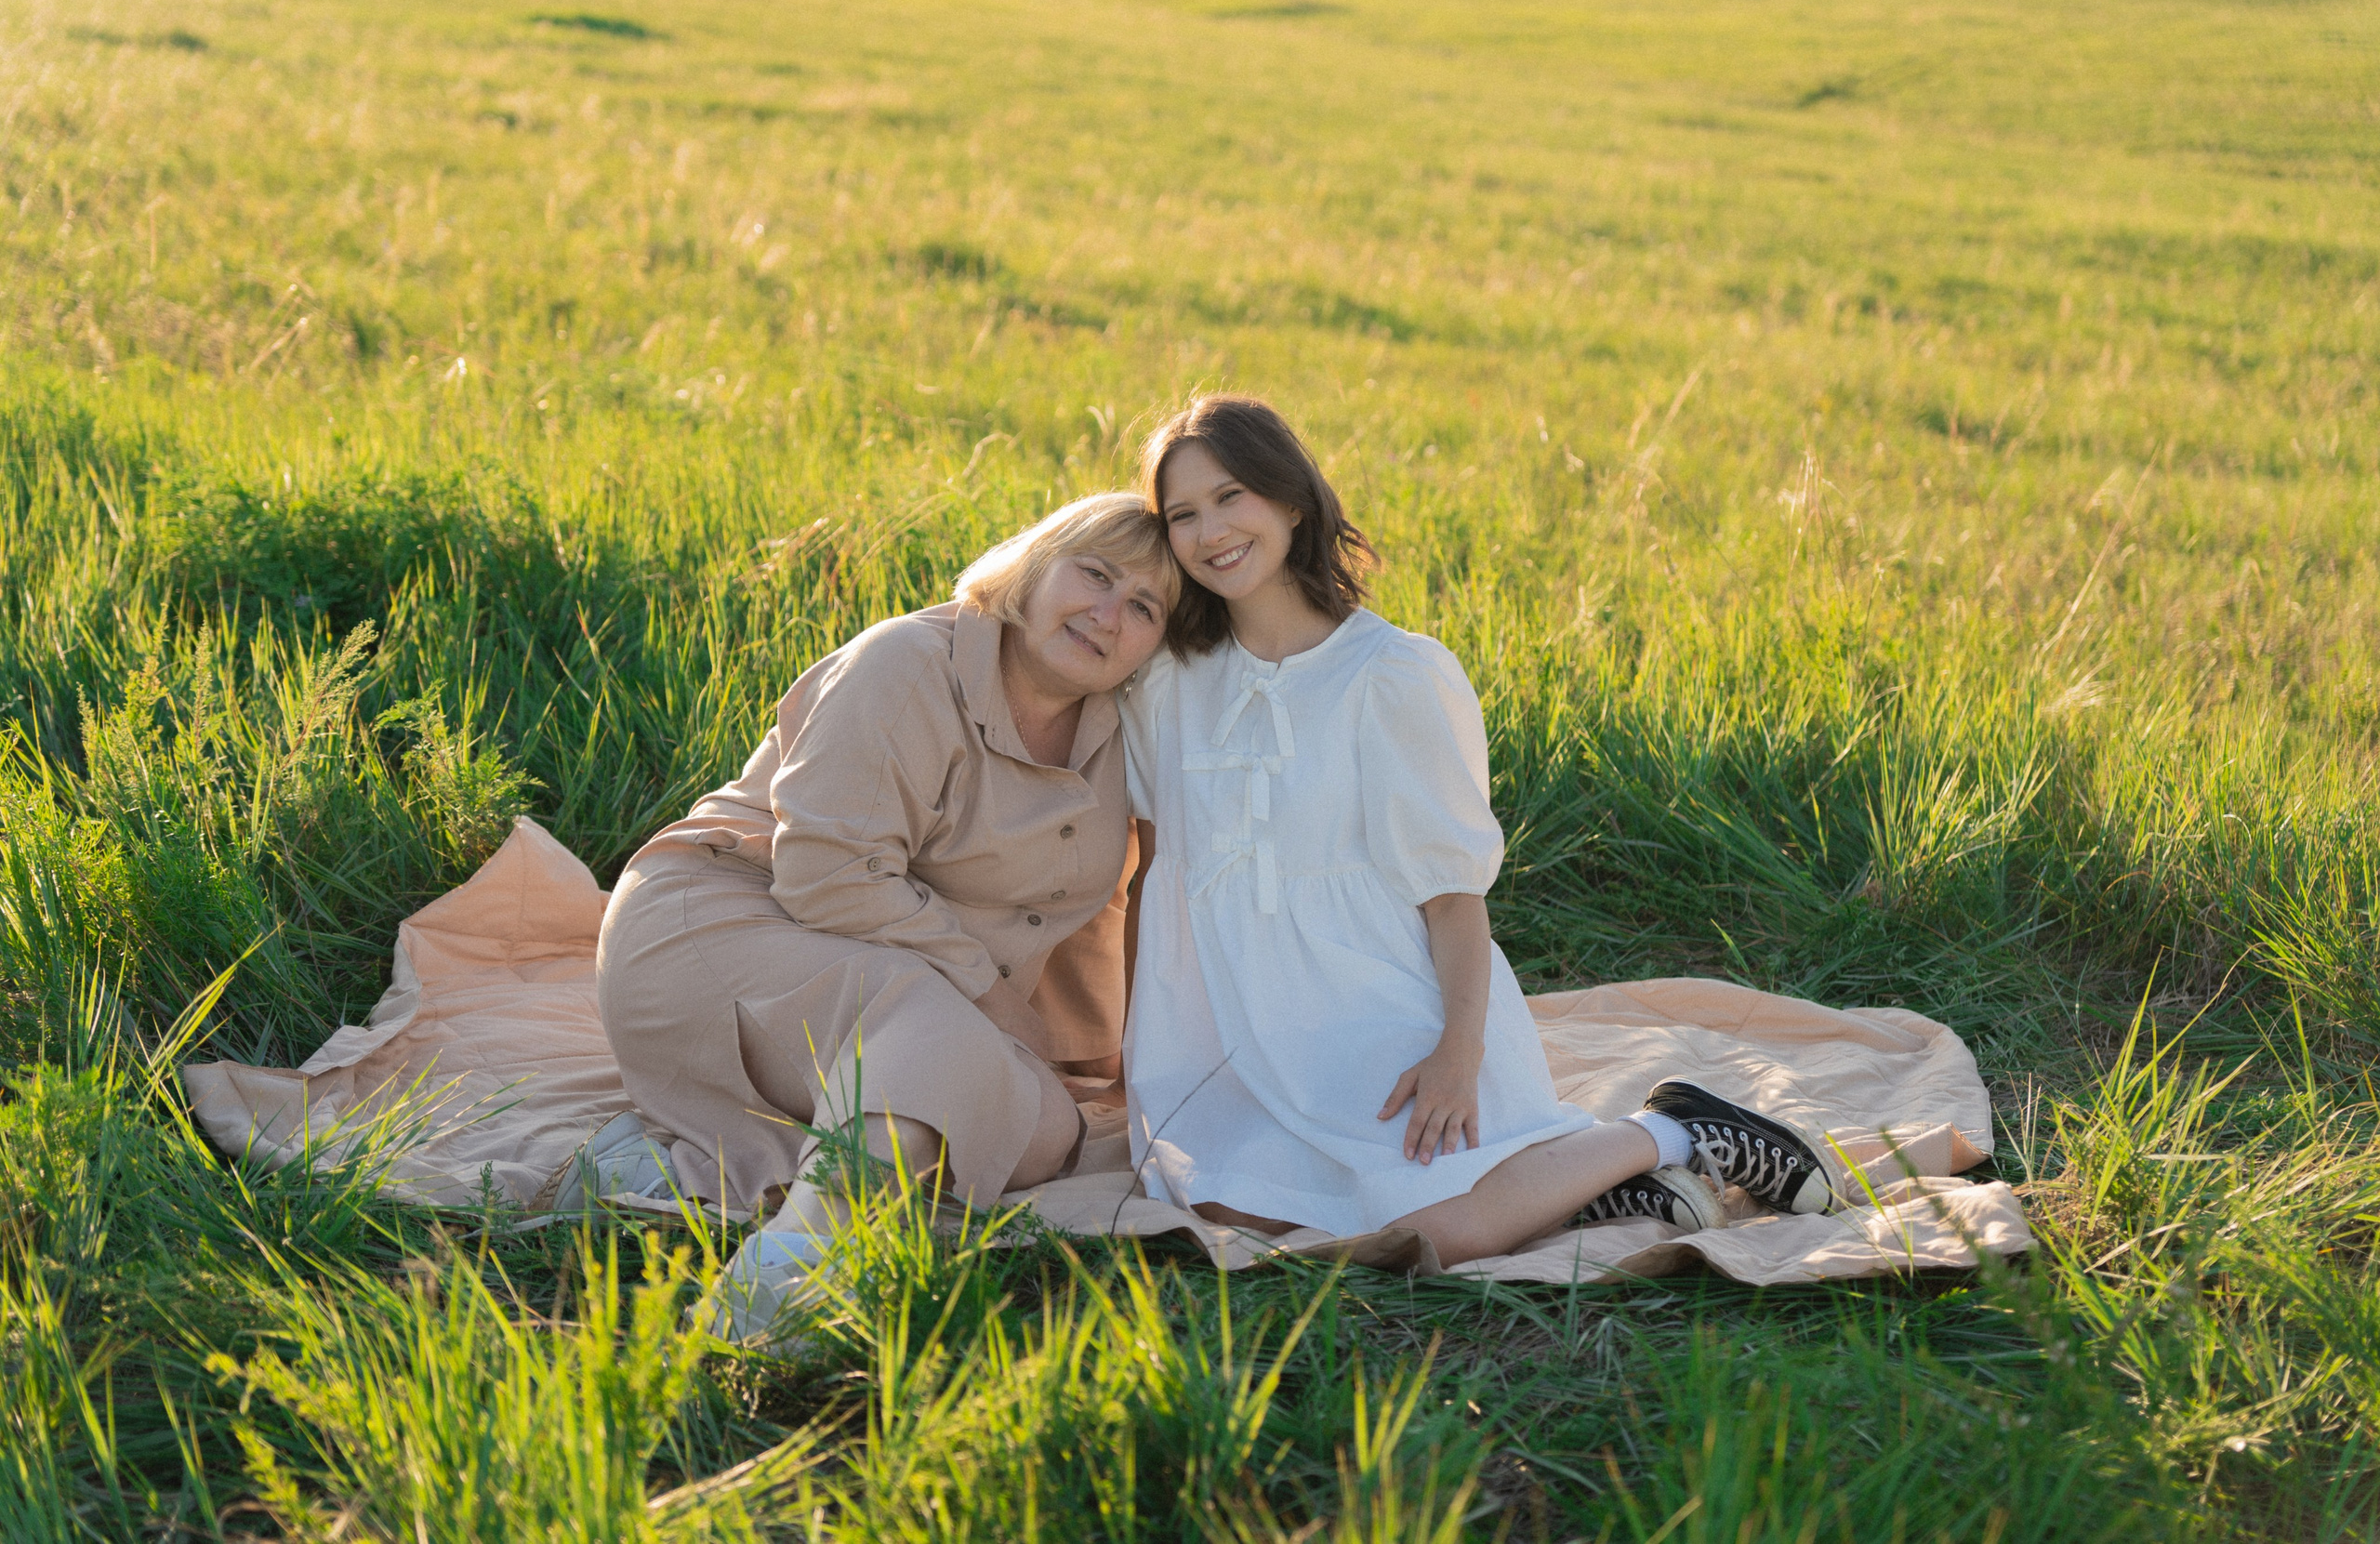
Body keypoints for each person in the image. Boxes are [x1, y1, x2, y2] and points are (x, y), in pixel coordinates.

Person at [1122, 397, 1838, 1267]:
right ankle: (1585, 1187)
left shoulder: (1388, 675)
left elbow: (1451, 894)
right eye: (1183, 514)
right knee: (1216, 1197)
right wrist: (1140, 1043)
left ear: (1291, 501)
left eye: (1231, 496)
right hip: (1228, 1024)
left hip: (1372, 1003)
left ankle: (1671, 1129)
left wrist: (1458, 1051)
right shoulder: (1165, 682)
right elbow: (1152, 872)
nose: (1211, 532)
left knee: (1431, 1234)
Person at [593, 492, 1176, 1332]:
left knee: (1046, 1132)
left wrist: (1086, 1045)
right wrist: (992, 998)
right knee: (946, 1041)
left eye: (1145, 606)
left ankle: (654, 1168)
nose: (1108, 614)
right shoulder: (906, 664)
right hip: (724, 921)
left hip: (892, 976)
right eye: (1095, 574)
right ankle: (793, 1268)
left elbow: (1094, 905)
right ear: (1035, 565)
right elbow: (827, 876)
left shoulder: (1122, 729)